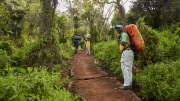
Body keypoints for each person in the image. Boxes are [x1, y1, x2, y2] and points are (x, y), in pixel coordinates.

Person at [115, 25, 134, 90]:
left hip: (126, 52)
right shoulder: (123, 34)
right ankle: (130, 83)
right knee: (129, 68)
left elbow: (123, 43)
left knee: (124, 67)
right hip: (130, 52)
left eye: (118, 28)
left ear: (122, 28)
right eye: (116, 28)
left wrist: (118, 39)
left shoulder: (123, 34)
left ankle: (126, 84)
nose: (117, 29)